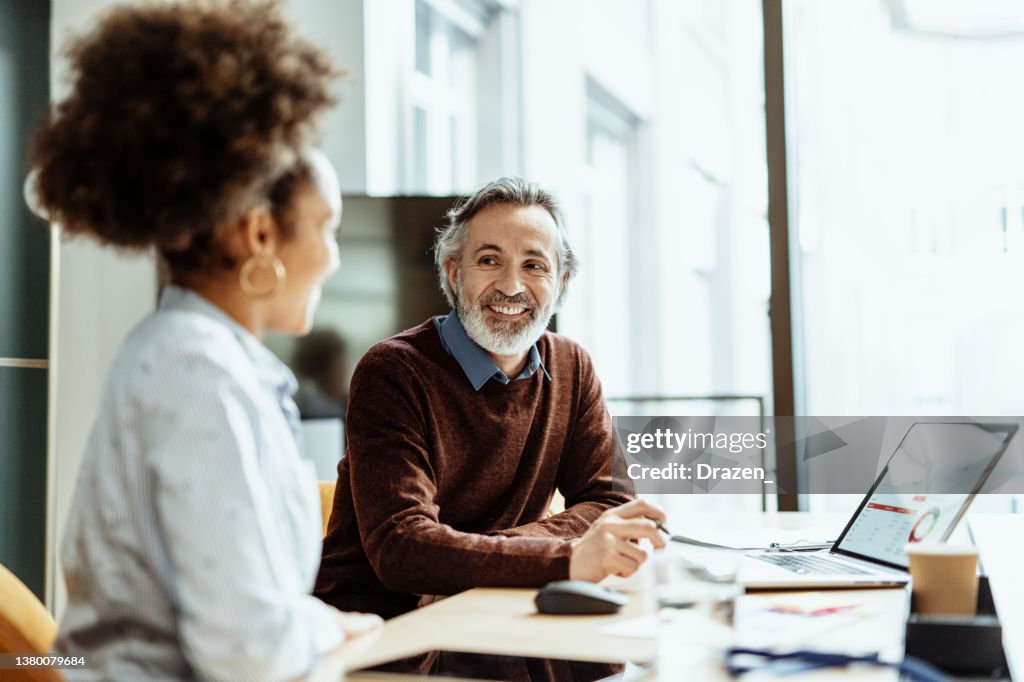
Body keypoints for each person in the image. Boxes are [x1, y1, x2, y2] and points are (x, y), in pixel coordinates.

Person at [28, 2, 380, 679]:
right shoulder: (197, 372)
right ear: (258, 235)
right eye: (327, 228)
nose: (333, 258)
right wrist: (330, 627)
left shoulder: (194, 356)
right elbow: (249, 651)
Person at [315, 177, 666, 619]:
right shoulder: (392, 371)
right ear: (453, 272)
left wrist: (472, 565)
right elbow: (401, 547)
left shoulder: (572, 366)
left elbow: (610, 503)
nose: (512, 286)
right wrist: (563, 559)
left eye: (535, 265)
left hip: (510, 608)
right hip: (391, 629)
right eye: (488, 260)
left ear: (561, 282)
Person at [293, 328, 350, 421]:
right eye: (339, 369)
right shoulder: (313, 407)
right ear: (322, 373)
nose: (344, 373)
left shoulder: (341, 400)